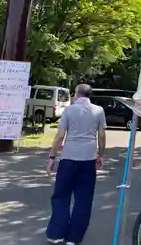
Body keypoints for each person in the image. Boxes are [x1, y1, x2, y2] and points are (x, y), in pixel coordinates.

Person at [46, 84, 107, 245]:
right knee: (83, 199)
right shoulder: (99, 111)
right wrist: (100, 155)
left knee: (61, 196)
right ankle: (73, 238)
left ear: (77, 94)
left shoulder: (69, 110)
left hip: (68, 159)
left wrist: (52, 157)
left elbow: (59, 137)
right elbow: (101, 136)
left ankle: (56, 234)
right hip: (88, 160)